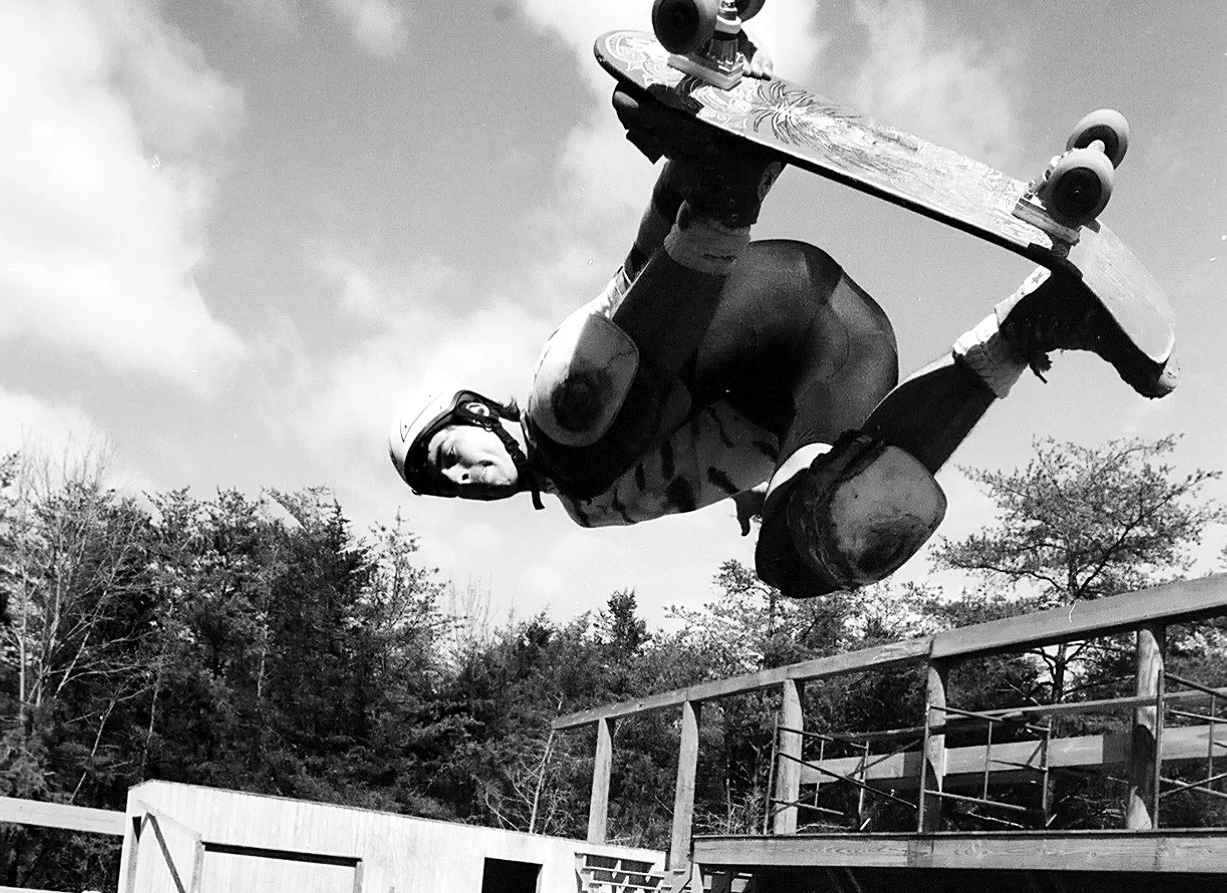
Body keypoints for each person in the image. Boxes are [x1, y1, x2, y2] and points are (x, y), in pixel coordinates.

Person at [389, 48, 1175, 600]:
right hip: (840, 358)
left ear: (476, 413)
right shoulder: (588, 505)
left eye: (451, 456)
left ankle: (726, 179)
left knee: (572, 425)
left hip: (765, 304)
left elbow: (638, 266)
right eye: (449, 488)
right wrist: (767, 494)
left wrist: (691, 158)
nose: (464, 479)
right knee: (826, 545)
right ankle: (1031, 327)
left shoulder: (564, 395)